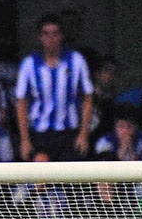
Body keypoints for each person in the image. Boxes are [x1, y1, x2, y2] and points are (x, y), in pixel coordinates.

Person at [15, 13, 93, 162]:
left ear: (62, 36)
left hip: (69, 132)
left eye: (55, 33)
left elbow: (88, 98)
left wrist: (84, 134)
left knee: (69, 181)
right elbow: (21, 102)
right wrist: (25, 140)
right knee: (40, 175)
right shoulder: (29, 64)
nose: (51, 38)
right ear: (40, 37)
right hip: (40, 132)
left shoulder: (76, 60)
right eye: (46, 34)